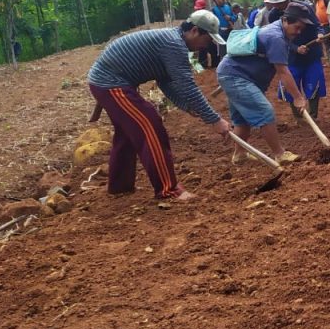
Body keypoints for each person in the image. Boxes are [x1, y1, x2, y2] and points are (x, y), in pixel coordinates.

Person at [87, 10, 231, 201]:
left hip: (112, 82)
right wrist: (214, 120)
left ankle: (119, 187)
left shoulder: (172, 40)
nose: (207, 45)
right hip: (111, 83)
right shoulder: (173, 44)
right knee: (150, 125)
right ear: (195, 31)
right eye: (207, 40)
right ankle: (168, 189)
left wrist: (185, 106)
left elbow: (165, 81)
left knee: (128, 132)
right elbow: (188, 86)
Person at [217, 0, 314, 165]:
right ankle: (280, 154)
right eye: (296, 27)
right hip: (237, 76)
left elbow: (287, 47)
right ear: (285, 20)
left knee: (241, 119)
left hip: (234, 74)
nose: (298, 32)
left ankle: (239, 155)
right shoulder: (275, 37)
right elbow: (283, 72)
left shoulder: (278, 30)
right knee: (265, 112)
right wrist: (298, 97)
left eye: (301, 29)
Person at [277, 0, 326, 121]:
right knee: (291, 85)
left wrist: (320, 34)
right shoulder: (274, 15)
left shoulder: (306, 9)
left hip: (312, 55)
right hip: (292, 58)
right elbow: (278, 38)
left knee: (314, 83)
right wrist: (295, 48)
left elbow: (318, 26)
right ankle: (299, 117)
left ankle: (313, 116)